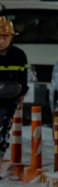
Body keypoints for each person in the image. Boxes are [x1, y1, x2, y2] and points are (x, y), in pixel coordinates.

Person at [0, 16, 27, 166]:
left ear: (11, 37)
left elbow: (23, 78)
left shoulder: (19, 55)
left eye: (4, 37)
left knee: (3, 131)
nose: (1, 41)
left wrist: (21, 96)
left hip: (10, 99)